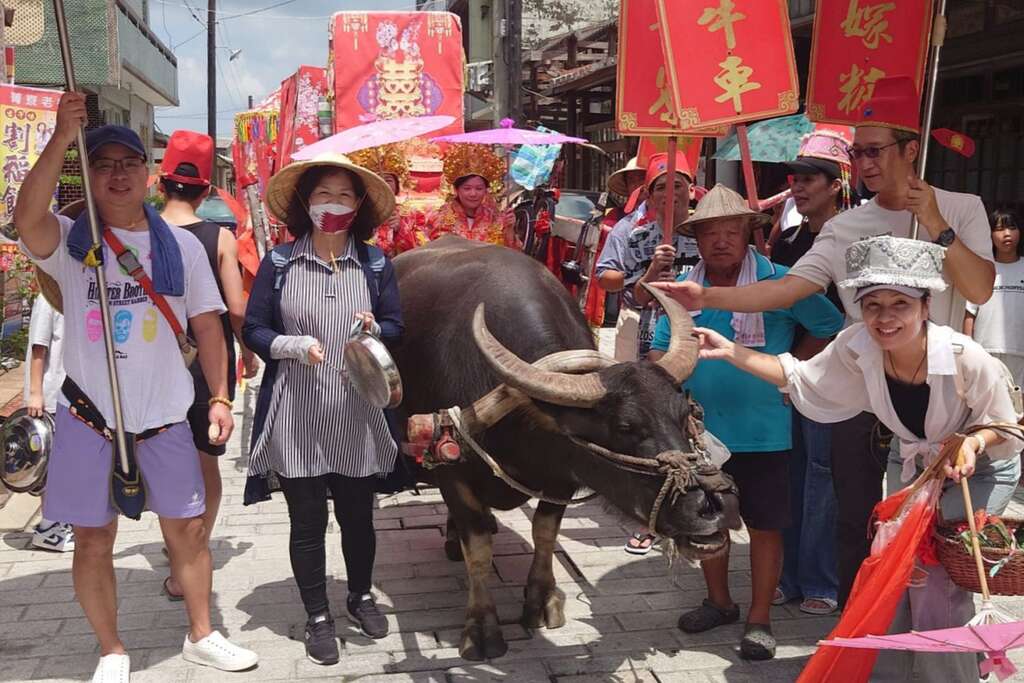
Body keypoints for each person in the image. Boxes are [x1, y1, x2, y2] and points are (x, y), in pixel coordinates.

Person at [652, 76, 996, 605]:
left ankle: (931, 631)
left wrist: (933, 220)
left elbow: (978, 287)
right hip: (864, 385)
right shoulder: (845, 227)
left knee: (942, 538)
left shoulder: (963, 206)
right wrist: (706, 298)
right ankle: (862, 614)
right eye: (857, 153)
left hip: (944, 393)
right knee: (856, 510)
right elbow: (788, 288)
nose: (864, 164)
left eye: (875, 151)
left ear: (911, 149)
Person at [695, 235, 1021, 681]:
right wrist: (731, 350)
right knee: (895, 570)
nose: (884, 319)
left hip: (981, 468)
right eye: (872, 305)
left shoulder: (967, 358)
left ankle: (949, 674)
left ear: (925, 307)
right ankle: (891, 670)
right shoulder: (857, 347)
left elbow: (1006, 431)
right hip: (913, 464)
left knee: (935, 576)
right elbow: (800, 377)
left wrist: (972, 441)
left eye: (899, 305)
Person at [14, 94, 258, 681]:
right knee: (94, 538)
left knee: (188, 531)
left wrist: (221, 397)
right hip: (87, 417)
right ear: (89, 174)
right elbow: (26, 219)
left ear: (149, 174)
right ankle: (112, 650)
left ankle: (202, 633)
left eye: (129, 163)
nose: (118, 173)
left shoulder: (178, 246)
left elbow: (207, 322)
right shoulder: (71, 241)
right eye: (103, 164)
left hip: (167, 417)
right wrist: (59, 137)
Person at [654, 184, 843, 660]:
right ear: (696, 240)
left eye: (730, 232)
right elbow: (660, 347)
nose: (720, 241)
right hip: (700, 433)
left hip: (766, 430)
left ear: (749, 235)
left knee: (765, 525)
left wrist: (790, 374)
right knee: (706, 522)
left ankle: (760, 618)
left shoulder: (781, 282)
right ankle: (718, 602)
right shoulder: (683, 291)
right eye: (710, 233)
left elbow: (829, 327)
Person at [242, 151, 403, 666]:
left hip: (358, 413)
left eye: (343, 195)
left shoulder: (376, 264)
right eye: (322, 194)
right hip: (298, 413)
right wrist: (291, 346)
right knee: (307, 523)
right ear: (304, 203)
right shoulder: (281, 262)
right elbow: (254, 329)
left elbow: (398, 326)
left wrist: (377, 329)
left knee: (359, 518)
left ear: (359, 206)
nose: (332, 204)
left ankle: (360, 596)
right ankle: (316, 615)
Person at [158, 129, 259, 600]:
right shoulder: (219, 237)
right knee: (205, 458)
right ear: (205, 190)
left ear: (161, 184)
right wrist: (250, 349)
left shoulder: (139, 233)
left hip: (152, 358)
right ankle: (197, 547)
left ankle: (176, 550)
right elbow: (236, 310)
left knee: (160, 456)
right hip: (209, 360)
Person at [770, 130, 854, 615]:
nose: (799, 188)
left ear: (836, 184)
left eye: (810, 179)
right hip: (787, 375)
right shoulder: (787, 241)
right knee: (789, 471)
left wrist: (800, 358)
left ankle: (821, 579)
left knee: (823, 475)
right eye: (795, 179)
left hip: (837, 374)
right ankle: (788, 575)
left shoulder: (856, 236)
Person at [23, 294, 74, 552]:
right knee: (49, 468)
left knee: (64, 466)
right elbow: (38, 347)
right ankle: (48, 527)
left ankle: (62, 521)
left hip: (69, 396)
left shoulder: (70, 294)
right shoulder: (47, 299)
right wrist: (35, 393)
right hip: (50, 395)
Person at [964, 210, 1024, 388]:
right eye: (999, 229)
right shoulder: (983, 269)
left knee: (1019, 407)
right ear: (989, 234)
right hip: (985, 350)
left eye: (1012, 228)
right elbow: (970, 312)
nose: (1006, 234)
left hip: (1020, 350)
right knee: (989, 405)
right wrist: (969, 348)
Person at [424, 143, 516, 246]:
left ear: (486, 190)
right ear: (456, 190)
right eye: (467, 188)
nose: (473, 194)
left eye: (479, 188)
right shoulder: (439, 218)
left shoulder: (496, 219)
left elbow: (511, 256)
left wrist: (509, 230)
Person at [349, 144, 427, 255]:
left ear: (397, 185)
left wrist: (400, 229)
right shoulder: (356, 214)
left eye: (388, 180)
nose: (383, 184)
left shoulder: (413, 215)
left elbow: (424, 250)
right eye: (378, 180)